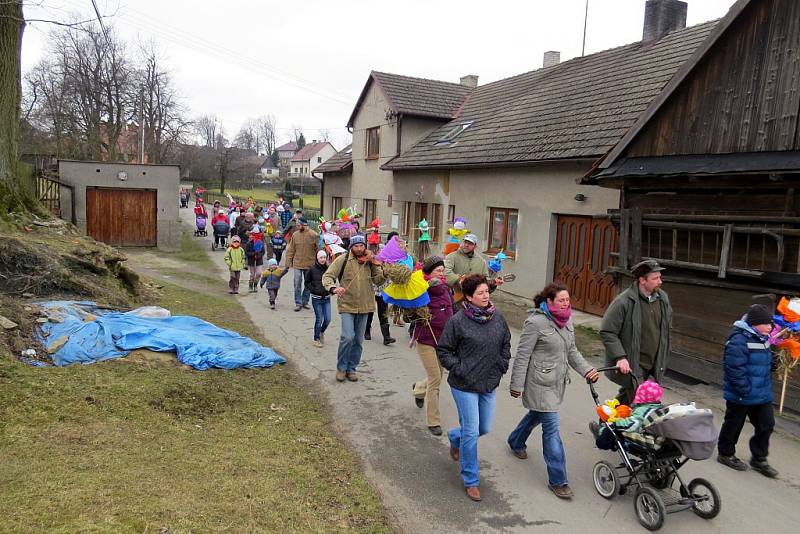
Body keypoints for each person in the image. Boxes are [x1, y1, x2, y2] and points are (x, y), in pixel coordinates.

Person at [507, 282, 599, 500]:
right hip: (539, 383)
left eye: (568, 300)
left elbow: (572, 350)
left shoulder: (568, 321)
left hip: (556, 382)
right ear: (549, 301)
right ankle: (558, 480)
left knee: (536, 414)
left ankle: (515, 441)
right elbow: (522, 355)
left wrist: (586, 370)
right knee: (551, 429)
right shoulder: (536, 322)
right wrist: (516, 385)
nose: (566, 304)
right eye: (561, 300)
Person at [436, 274, 511, 502]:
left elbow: (505, 344)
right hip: (464, 384)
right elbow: (444, 351)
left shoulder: (497, 317)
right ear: (468, 297)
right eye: (480, 293)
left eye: (486, 291)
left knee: (484, 427)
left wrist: (501, 366)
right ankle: (471, 480)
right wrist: (460, 368)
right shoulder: (457, 321)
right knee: (471, 430)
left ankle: (454, 437)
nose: (485, 295)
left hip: (488, 382)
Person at [716, 304, 779, 478]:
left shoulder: (764, 338)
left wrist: (773, 364)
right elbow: (734, 368)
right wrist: (744, 389)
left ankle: (759, 458)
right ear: (755, 323)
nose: (770, 327)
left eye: (771, 324)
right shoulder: (739, 340)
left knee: (767, 425)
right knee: (734, 424)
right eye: (767, 324)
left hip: (762, 393)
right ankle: (726, 453)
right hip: (742, 393)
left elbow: (761, 361)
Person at [600, 259, 672, 405]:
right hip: (633, 362)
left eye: (660, 277)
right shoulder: (624, 302)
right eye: (655, 278)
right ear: (642, 280)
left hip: (654, 362)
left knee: (628, 398)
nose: (660, 282)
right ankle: (619, 426)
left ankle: (606, 424)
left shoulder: (662, 299)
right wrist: (620, 357)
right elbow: (608, 331)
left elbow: (666, 328)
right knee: (644, 403)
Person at [322, 234, 385, 383]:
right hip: (347, 305)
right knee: (347, 337)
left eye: (362, 246)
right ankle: (341, 368)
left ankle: (352, 369)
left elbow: (378, 280)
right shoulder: (342, 259)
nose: (359, 249)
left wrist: (385, 273)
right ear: (351, 247)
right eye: (356, 246)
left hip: (365, 305)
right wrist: (333, 288)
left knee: (358, 340)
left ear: (365, 246)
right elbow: (328, 276)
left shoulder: (370, 261)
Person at [411, 255, 453, 436]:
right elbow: (408, 313)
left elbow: (453, 310)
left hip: (444, 340)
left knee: (437, 375)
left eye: (443, 270)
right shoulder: (420, 287)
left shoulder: (446, 289)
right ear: (428, 272)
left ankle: (419, 388)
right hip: (426, 339)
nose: (442, 274)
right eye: (438, 270)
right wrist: (417, 314)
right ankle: (433, 421)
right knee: (436, 377)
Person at [592, 380, 663, 451]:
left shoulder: (642, 410)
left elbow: (632, 424)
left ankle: (601, 435)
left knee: (612, 429)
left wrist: (615, 423)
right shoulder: (657, 407)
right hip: (649, 431)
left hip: (640, 433)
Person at [443, 234, 503, 303]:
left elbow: (485, 279)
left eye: (470, 243)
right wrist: (459, 279)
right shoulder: (451, 257)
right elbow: (445, 272)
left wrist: (493, 283)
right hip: (455, 297)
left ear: (475, 246)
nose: (466, 245)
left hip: (475, 300)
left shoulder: (481, 261)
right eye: (465, 242)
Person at [284, 217, 319, 311]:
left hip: (309, 263)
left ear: (304, 224)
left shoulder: (314, 235)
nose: (297, 226)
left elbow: (318, 250)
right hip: (297, 263)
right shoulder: (295, 235)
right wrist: (288, 262)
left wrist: (319, 262)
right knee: (297, 283)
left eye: (299, 225)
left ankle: (305, 301)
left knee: (308, 284)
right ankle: (298, 303)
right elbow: (291, 249)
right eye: (297, 225)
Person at [306, 249, 332, 347]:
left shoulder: (329, 269)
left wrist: (331, 289)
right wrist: (313, 290)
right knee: (319, 319)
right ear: (317, 258)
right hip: (316, 298)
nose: (323, 259)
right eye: (321, 257)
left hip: (326, 298)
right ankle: (316, 339)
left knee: (328, 319)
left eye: (324, 257)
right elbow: (307, 282)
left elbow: (332, 279)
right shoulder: (312, 269)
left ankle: (321, 332)